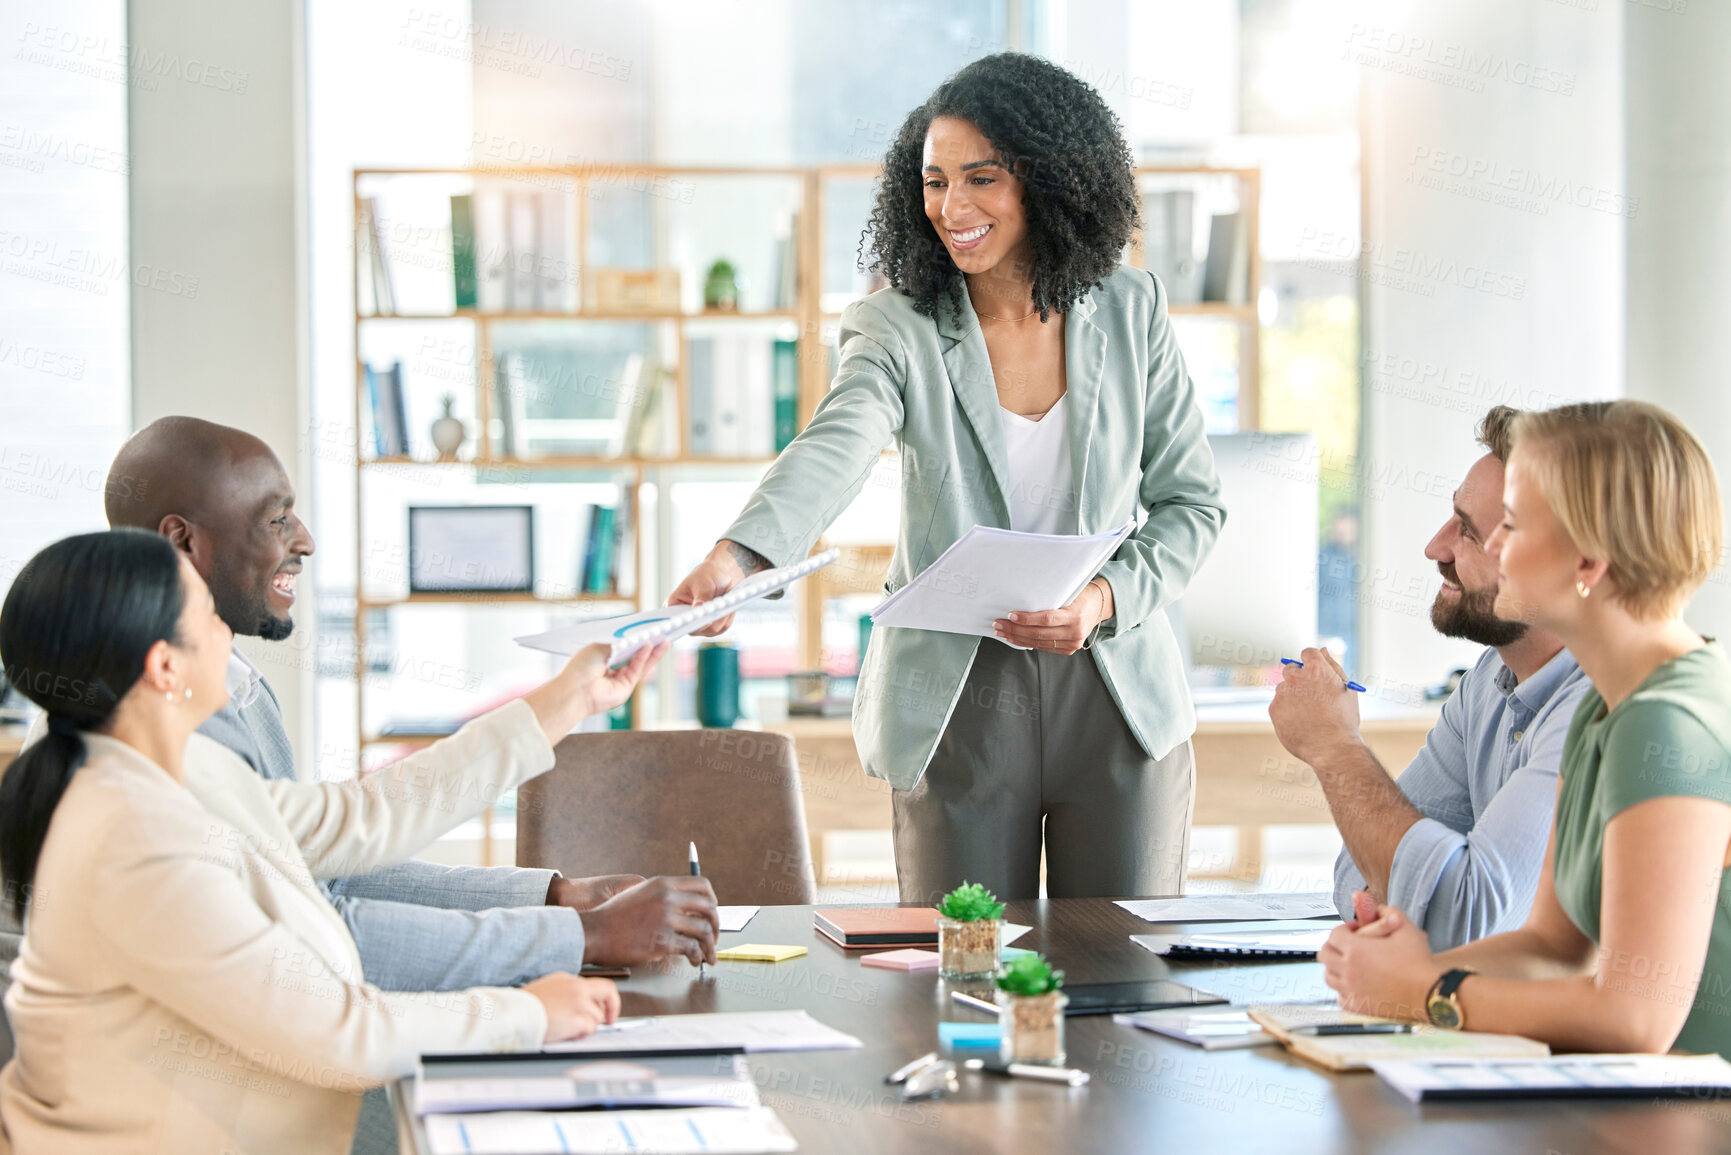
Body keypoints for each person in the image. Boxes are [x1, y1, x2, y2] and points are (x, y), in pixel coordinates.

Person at [668, 53, 1225, 903]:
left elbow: (1191, 504)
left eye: (980, 178)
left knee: (1122, 977)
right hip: (957, 696)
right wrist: (738, 557)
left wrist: (1103, 599)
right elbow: (835, 443)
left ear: (1048, 179)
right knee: (962, 976)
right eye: (933, 182)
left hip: (1113, 687)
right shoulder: (896, 325)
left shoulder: (1130, 307)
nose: (951, 209)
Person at [94, 417, 720, 1155]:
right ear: (181, 543)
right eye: (276, 517)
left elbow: (318, 862)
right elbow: (339, 903)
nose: (304, 539)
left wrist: (547, 896)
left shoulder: (221, 686)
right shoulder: (167, 741)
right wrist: (576, 936)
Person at [0, 529, 660, 1154]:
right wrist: (524, 1013)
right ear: (164, 665)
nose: (225, 629)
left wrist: (568, 698)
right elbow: (337, 1032)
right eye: (205, 612)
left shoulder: (179, 767)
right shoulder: (134, 839)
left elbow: (359, 817)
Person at [1321, 401, 1731, 1058]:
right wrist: (1401, 966)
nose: (1491, 549)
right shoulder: (1603, 701)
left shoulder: (1669, 719)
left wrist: (1425, 991)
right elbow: (1551, 948)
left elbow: (1637, 1016)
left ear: (1588, 561)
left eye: (1510, 525)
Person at [1270, 406, 1591, 950]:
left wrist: (1335, 746)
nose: (1435, 548)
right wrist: (1408, 896)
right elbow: (1357, 876)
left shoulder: (1595, 707)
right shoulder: (1491, 677)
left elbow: (1460, 918)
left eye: (1469, 532)